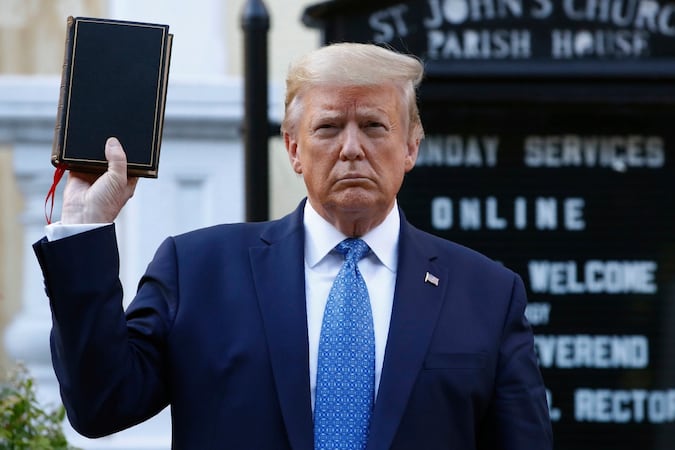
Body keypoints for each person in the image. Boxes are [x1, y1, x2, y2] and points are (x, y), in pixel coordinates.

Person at [33, 42, 553, 449]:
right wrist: (86, 227)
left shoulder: (486, 293)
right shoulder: (199, 271)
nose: (352, 148)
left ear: (411, 146)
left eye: (374, 125)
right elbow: (100, 404)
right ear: (294, 147)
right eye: (329, 127)